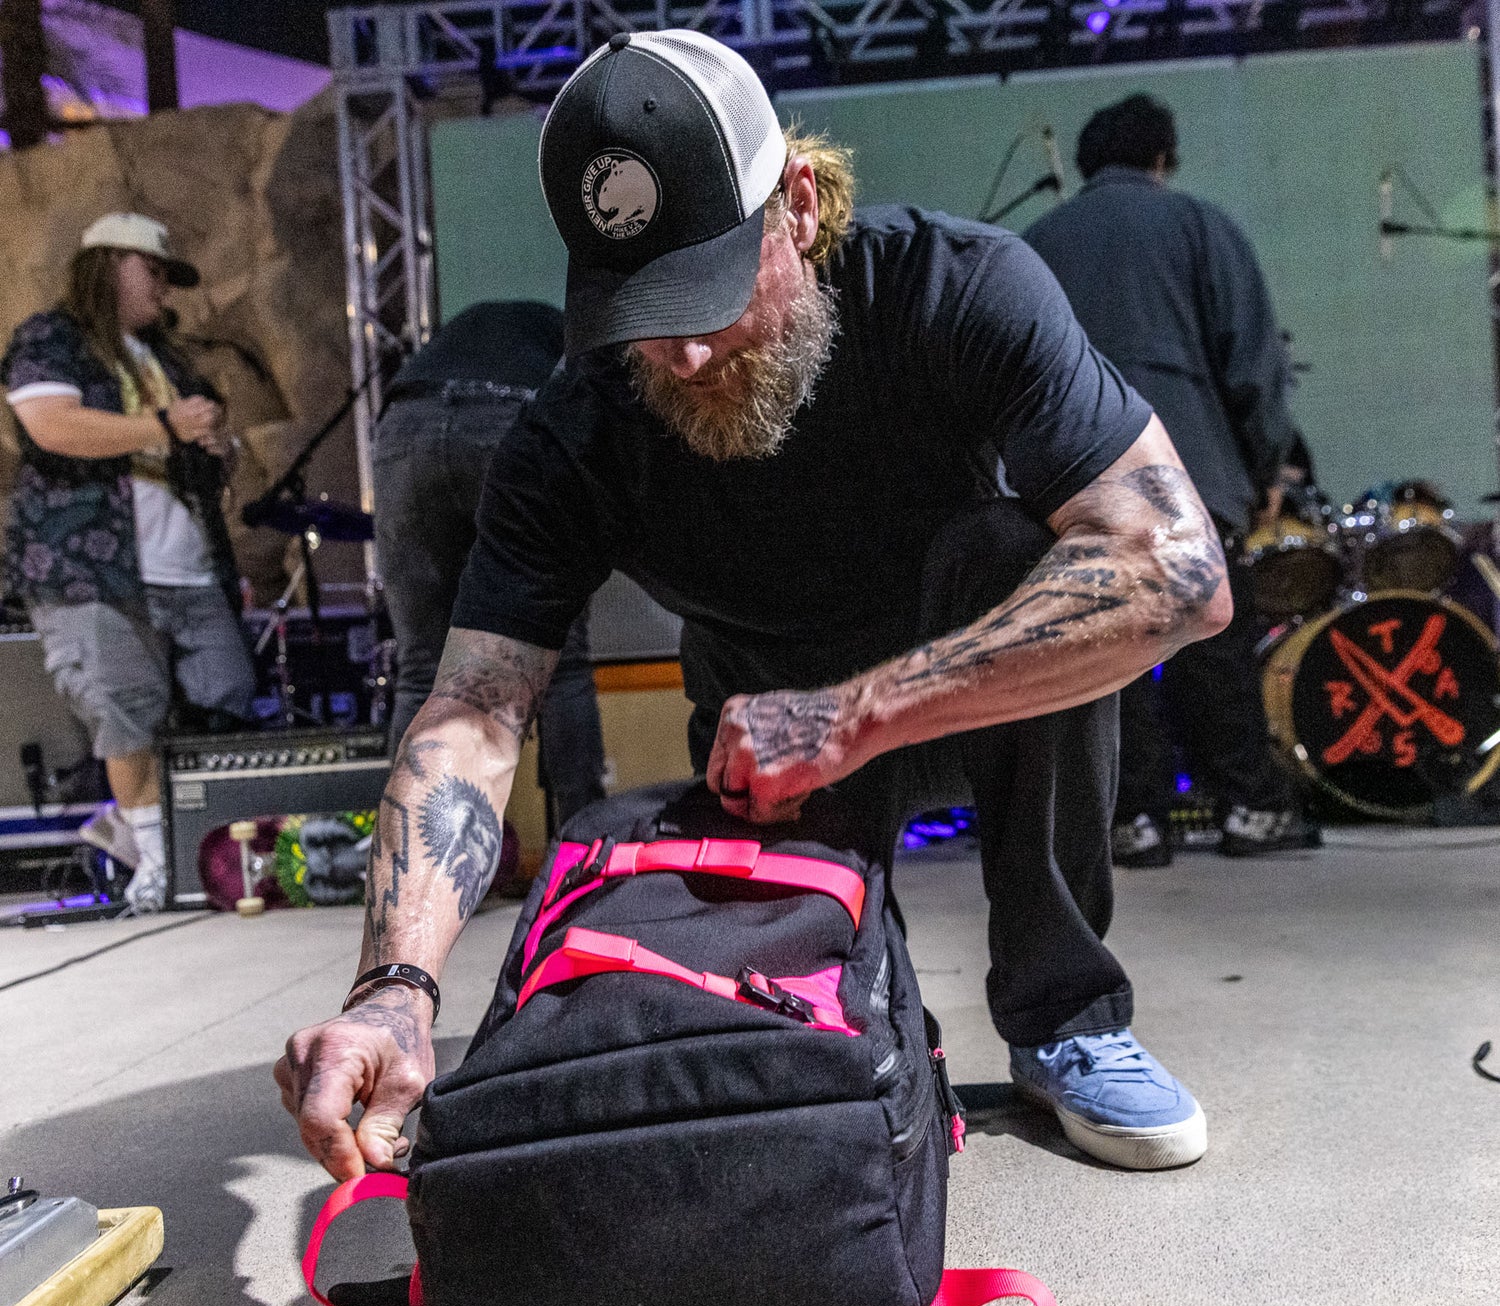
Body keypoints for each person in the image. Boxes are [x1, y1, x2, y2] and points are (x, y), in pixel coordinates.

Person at [276, 31, 1234, 1183]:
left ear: (800, 203)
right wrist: (395, 987)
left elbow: (1179, 570)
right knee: (780, 1036)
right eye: (639, 309)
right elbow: (475, 709)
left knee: (1012, 552)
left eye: (708, 292)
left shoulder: (954, 289)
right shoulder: (577, 431)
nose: (679, 352)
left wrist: (855, 713)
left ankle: (1067, 1016)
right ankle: (861, 1030)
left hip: (971, 705)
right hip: (762, 744)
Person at [1025, 94, 1310, 867]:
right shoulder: (1201, 227)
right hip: (1190, 473)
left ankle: (1132, 820)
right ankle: (1250, 807)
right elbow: (1251, 363)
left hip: (1075, 482)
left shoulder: (1038, 242)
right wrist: (1261, 472)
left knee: (1105, 651)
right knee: (1209, 644)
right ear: (1162, 157)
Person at [2, 212, 254, 911]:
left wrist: (215, 448)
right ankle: (154, 862)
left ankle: (172, 837)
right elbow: (51, 424)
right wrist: (165, 426)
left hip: (186, 568)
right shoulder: (53, 339)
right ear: (111, 264)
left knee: (227, 691)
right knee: (126, 708)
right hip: (90, 566)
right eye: (156, 274)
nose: (165, 293)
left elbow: (205, 443)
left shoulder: (164, 359)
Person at [374, 300, 605, 827]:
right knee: (562, 661)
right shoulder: (574, 336)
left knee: (421, 668)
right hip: (508, 418)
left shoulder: (465, 331)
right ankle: (582, 849)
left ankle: (407, 855)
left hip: (405, 427)